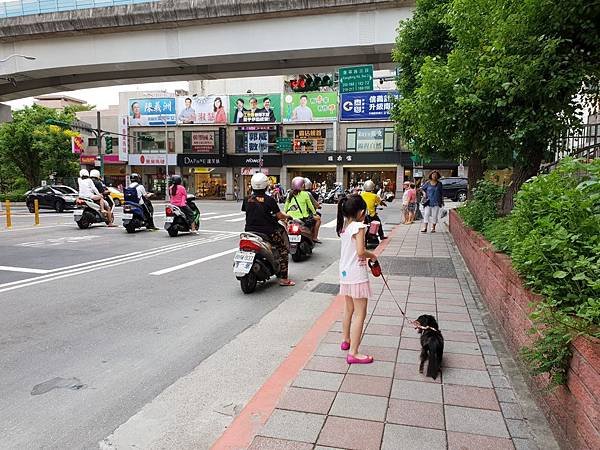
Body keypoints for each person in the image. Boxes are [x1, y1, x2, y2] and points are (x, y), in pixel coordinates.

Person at [337, 194, 376, 364]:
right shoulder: (359, 226)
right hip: (356, 273)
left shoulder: (345, 226)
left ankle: (346, 340)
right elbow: (361, 251)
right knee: (360, 313)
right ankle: (354, 352)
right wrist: (372, 255)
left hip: (344, 272)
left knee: (349, 309)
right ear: (361, 212)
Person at [242, 173, 295, 286]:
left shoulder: (247, 199)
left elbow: (248, 212)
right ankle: (284, 279)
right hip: (268, 232)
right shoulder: (269, 200)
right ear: (266, 185)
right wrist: (287, 216)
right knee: (283, 250)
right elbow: (279, 215)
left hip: (249, 231)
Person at [284, 177, 320, 243]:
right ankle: (315, 237)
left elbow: (286, 206)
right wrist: (314, 213)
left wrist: (285, 214)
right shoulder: (305, 194)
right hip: (302, 217)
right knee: (318, 219)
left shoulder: (290, 193)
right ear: (303, 185)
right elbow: (311, 206)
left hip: (290, 217)